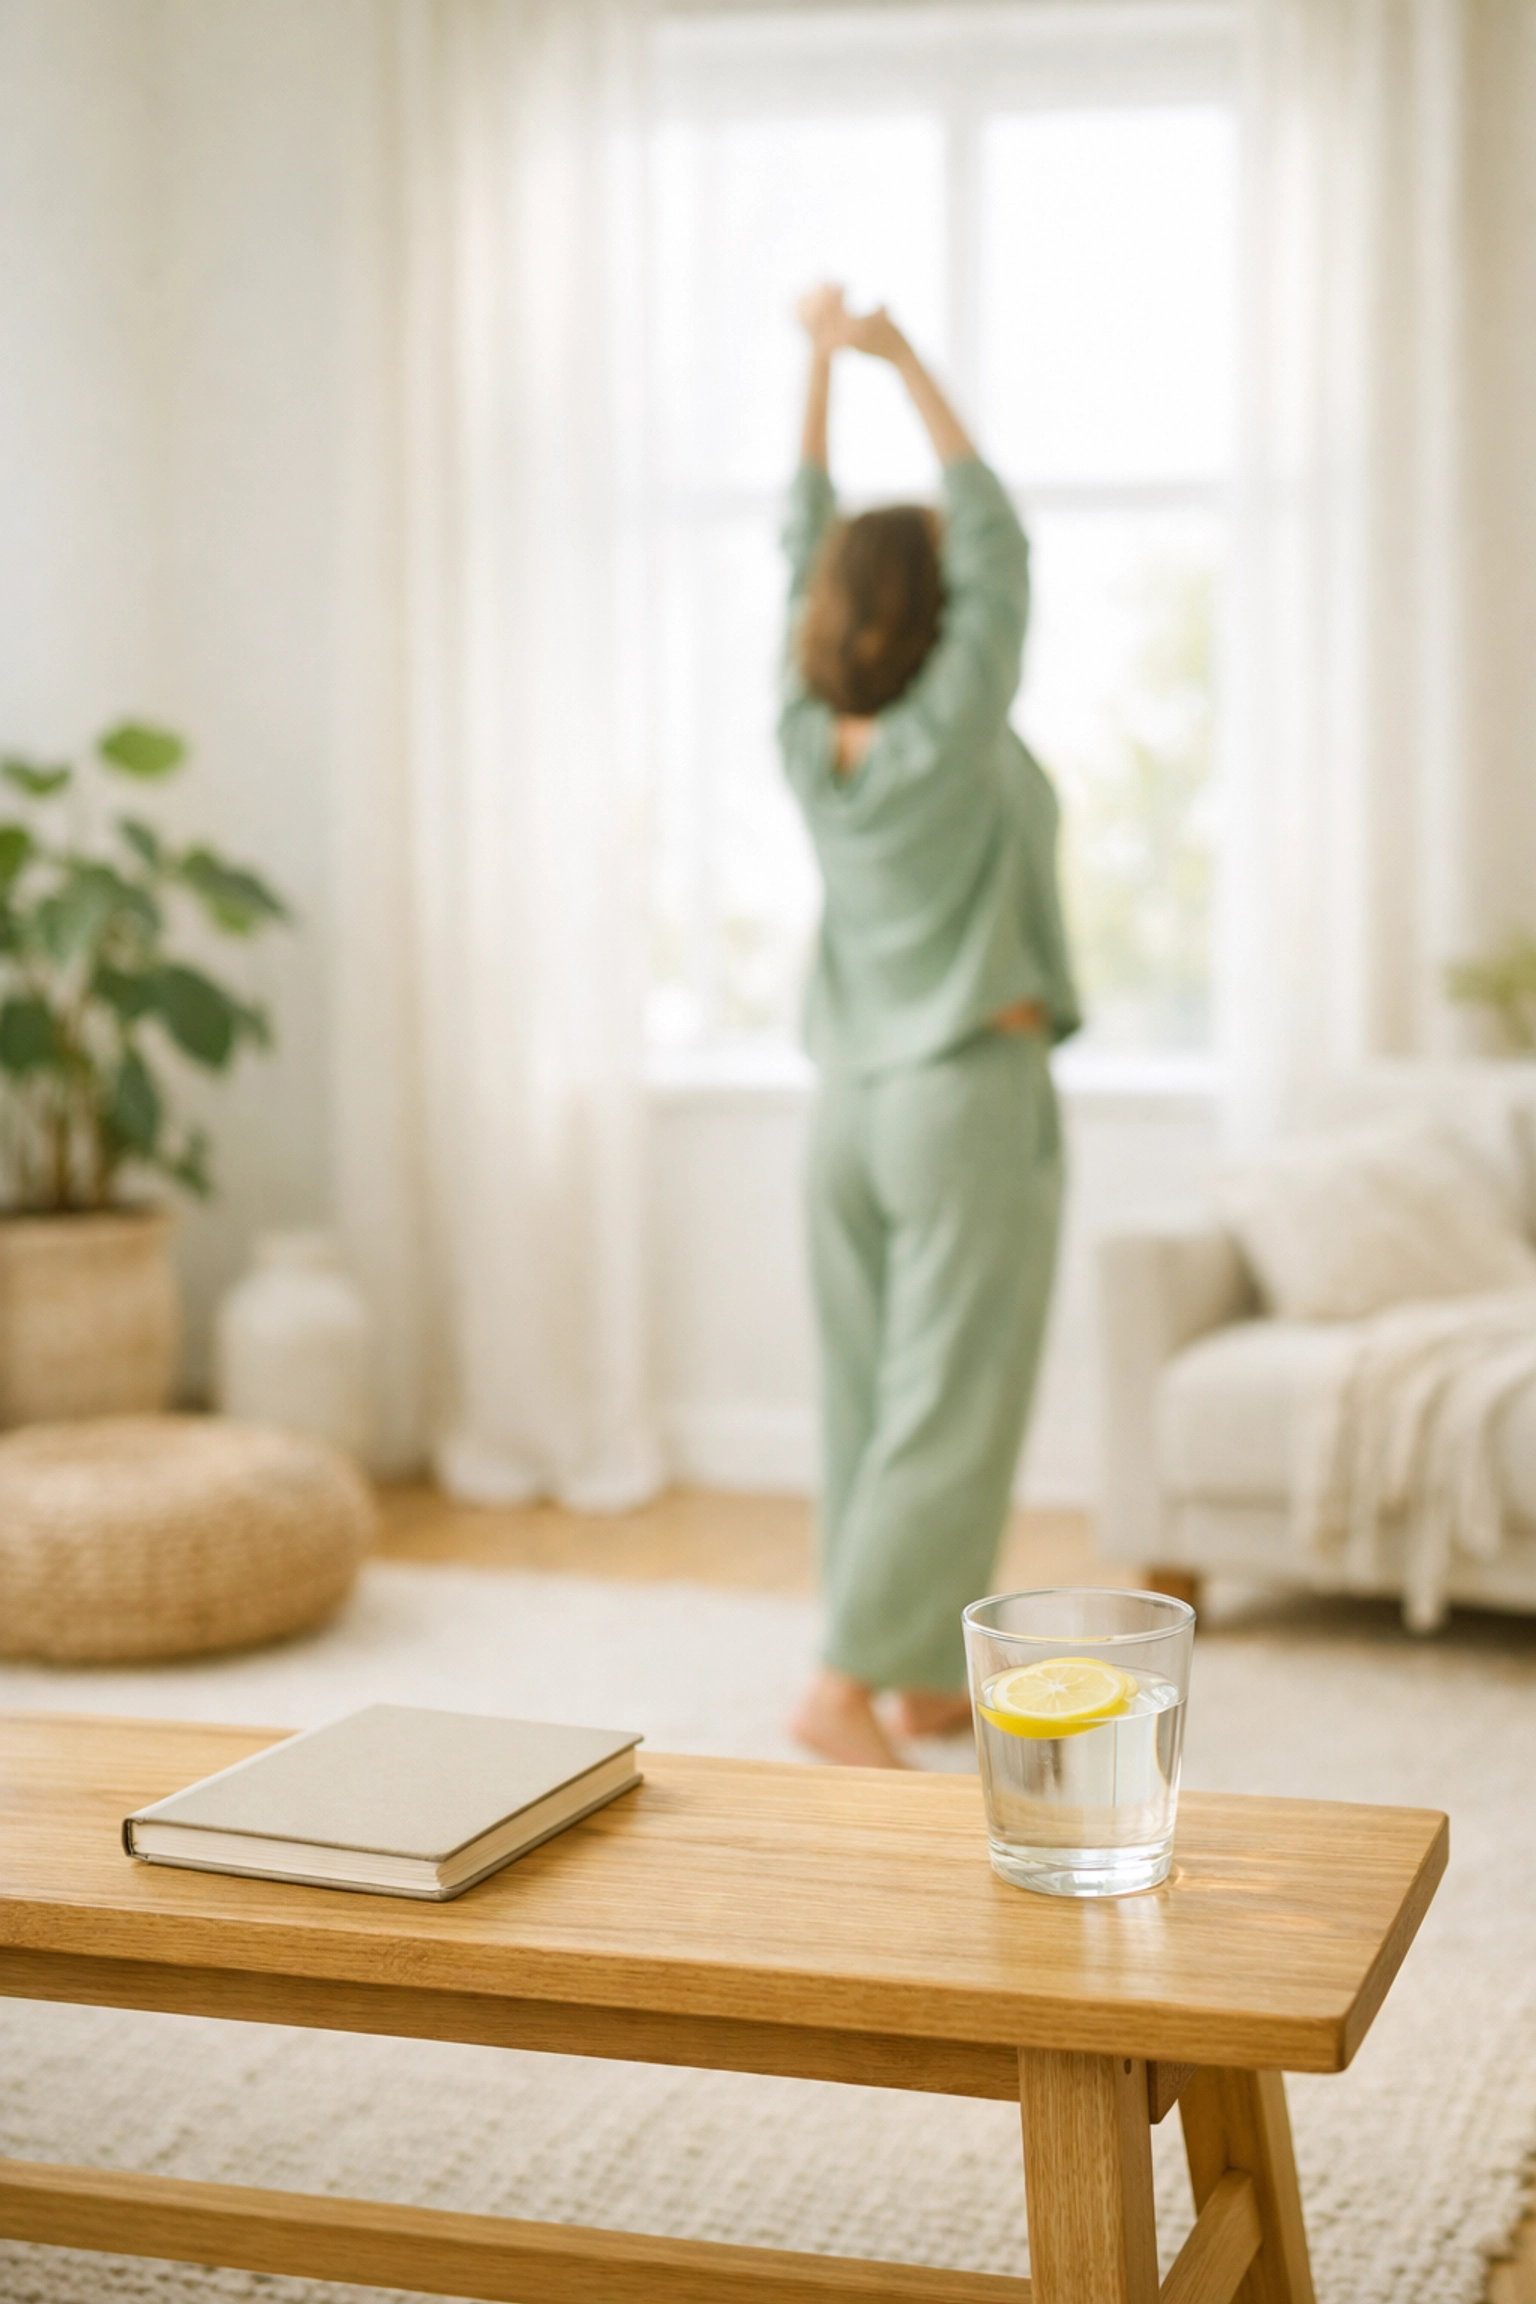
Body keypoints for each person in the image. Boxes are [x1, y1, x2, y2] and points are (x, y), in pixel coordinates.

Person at [780, 285, 1080, 1768]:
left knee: (871, 1394)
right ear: (938, 612)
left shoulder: (808, 733)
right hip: (963, 1089)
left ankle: (911, 1672)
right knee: (950, 1403)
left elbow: (802, 534)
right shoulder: (954, 730)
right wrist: (898, 359)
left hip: (845, 1102)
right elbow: (998, 529)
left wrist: (819, 379)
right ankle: (845, 1688)